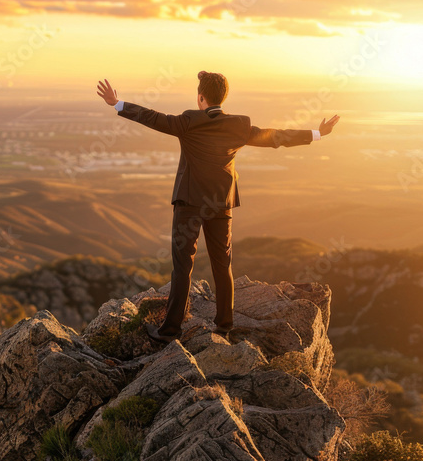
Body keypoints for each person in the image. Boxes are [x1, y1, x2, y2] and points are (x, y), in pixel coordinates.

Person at [96, 72, 340, 343]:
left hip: (189, 203)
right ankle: (224, 326)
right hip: (221, 204)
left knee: (182, 267)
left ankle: (170, 330)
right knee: (222, 265)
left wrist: (117, 104)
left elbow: (152, 117)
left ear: (201, 97)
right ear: (223, 98)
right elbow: (276, 137)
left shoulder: (188, 121)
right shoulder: (238, 125)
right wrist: (317, 133)